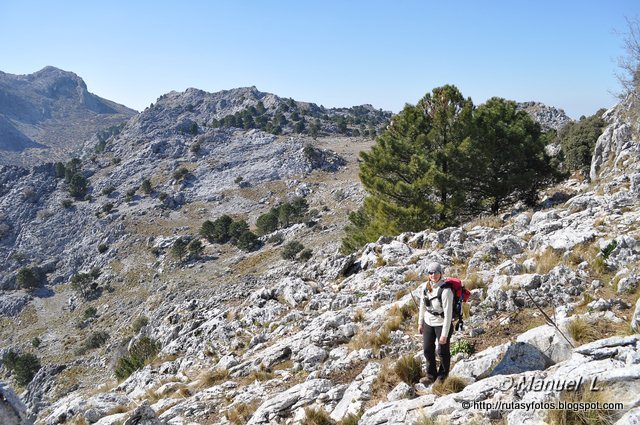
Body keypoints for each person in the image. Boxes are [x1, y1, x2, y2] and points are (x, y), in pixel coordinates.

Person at [418, 261, 454, 383]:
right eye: (431, 273)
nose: (434, 275)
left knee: (442, 351)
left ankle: (442, 376)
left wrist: (444, 334)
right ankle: (431, 375)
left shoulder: (446, 291)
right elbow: (422, 306)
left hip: (442, 323)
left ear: (441, 273)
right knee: (427, 350)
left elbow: (448, 315)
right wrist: (420, 323)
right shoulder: (425, 287)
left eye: (436, 272)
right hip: (428, 322)